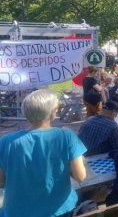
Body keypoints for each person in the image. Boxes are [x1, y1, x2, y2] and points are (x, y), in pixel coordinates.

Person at [0, 89, 87, 217]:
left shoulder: (5, 141)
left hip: (17, 211)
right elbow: (80, 177)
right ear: (52, 112)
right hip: (59, 210)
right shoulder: (66, 136)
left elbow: (1, 182)